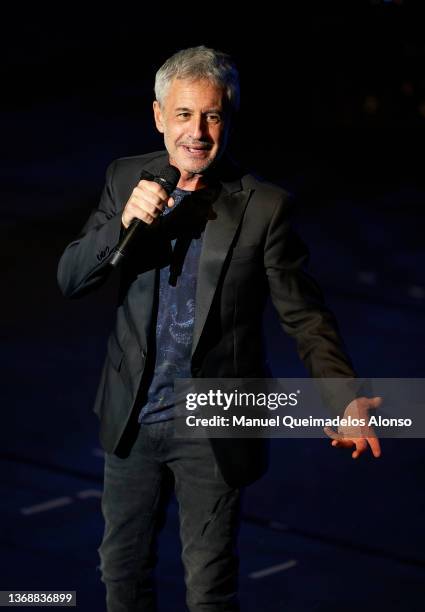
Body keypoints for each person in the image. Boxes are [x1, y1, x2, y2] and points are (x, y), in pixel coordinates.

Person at [57, 45, 381, 612]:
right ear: (159, 116)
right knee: (121, 577)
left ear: (228, 117)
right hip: (132, 419)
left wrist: (341, 395)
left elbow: (303, 315)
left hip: (215, 425)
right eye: (183, 115)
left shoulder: (264, 207)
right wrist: (123, 224)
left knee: (209, 589)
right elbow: (71, 279)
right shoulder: (125, 178)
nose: (197, 132)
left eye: (212, 115)